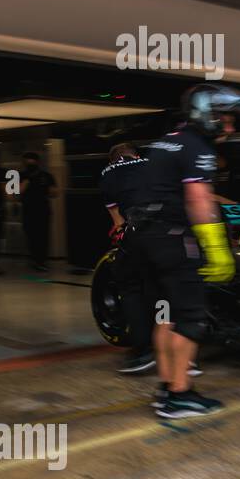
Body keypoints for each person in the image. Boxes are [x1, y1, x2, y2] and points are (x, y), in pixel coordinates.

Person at [134, 84, 240, 418]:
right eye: (227, 120)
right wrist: (216, 246)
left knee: (166, 315)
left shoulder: (166, 141)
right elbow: (198, 198)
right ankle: (180, 395)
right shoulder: (196, 147)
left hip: (149, 238)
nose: (231, 128)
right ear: (207, 115)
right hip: (176, 239)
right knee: (191, 318)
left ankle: (165, 390)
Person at [100, 143, 160, 374]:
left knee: (131, 288)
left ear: (111, 160)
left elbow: (118, 223)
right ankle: (180, 350)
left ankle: (144, 351)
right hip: (174, 233)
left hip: (140, 235)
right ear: (136, 155)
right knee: (164, 287)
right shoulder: (153, 164)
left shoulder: (107, 175)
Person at [19, 151, 57, 272]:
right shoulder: (20, 176)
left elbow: (54, 193)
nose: (28, 163)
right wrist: (26, 182)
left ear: (37, 161)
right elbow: (16, 193)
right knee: (31, 236)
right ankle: (35, 259)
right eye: (26, 161)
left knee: (43, 236)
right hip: (28, 211)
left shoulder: (46, 176)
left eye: (30, 160)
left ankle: (41, 261)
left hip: (43, 210)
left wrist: (49, 191)